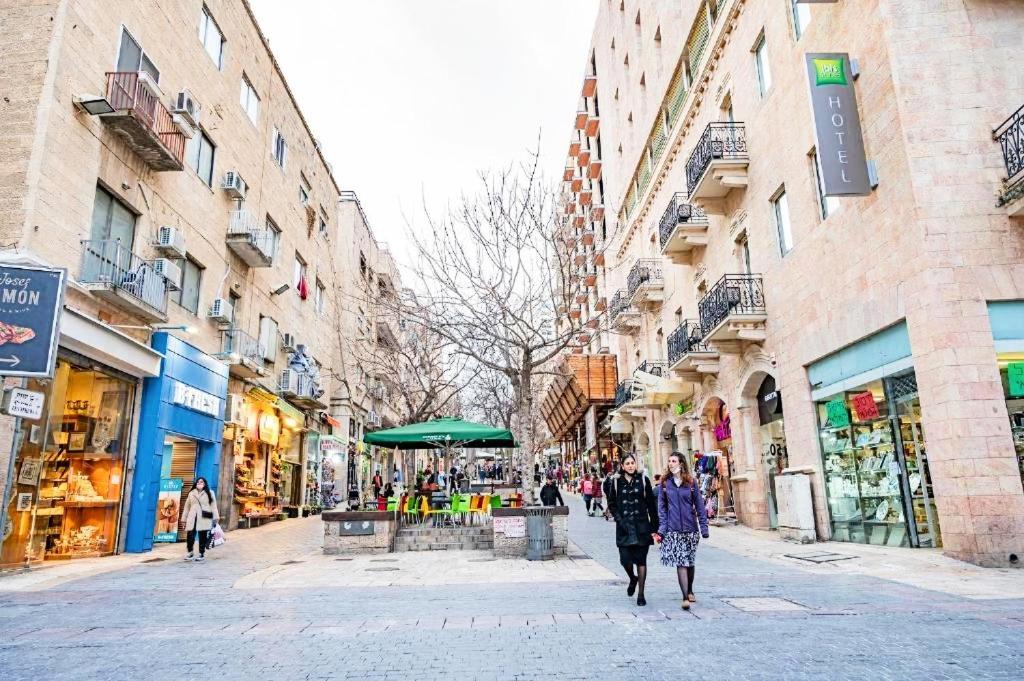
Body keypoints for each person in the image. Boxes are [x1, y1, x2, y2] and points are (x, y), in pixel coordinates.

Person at [655, 452, 709, 610]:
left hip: (691, 529)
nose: (670, 464)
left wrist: (704, 528)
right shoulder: (665, 483)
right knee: (681, 561)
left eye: (674, 461)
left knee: (690, 561)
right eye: (669, 461)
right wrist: (662, 529)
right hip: (673, 530)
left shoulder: (691, 483)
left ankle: (690, 589)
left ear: (681, 463)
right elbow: (662, 509)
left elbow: (699, 506)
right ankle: (685, 597)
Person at [607, 454, 658, 606]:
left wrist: (655, 527)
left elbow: (650, 504)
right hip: (623, 527)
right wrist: (618, 519)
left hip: (641, 526)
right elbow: (612, 504)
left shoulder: (643, 480)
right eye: (627, 463)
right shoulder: (616, 482)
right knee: (625, 560)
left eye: (632, 463)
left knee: (641, 561)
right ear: (622, 466)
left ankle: (641, 594)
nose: (630, 466)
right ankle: (632, 578)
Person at [182, 476, 219, 562]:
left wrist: (216, 517)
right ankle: (190, 552)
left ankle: (201, 553)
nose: (199, 484)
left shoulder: (210, 493)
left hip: (204, 516)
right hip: (192, 517)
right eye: (198, 482)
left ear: (205, 484)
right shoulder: (191, 493)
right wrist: (183, 519)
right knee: (190, 535)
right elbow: (187, 507)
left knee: (202, 536)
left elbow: (213, 506)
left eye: (201, 482)